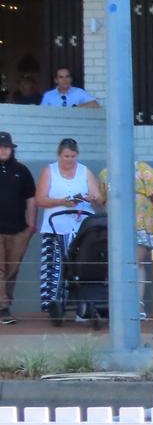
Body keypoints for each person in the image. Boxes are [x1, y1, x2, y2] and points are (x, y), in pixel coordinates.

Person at [33, 138, 99, 318]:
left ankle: (83, 304)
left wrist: (91, 197)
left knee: (82, 267)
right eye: (66, 156)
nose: (69, 159)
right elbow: (40, 199)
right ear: (59, 155)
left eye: (73, 156)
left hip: (81, 228)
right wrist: (61, 201)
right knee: (54, 266)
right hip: (56, 227)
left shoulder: (85, 171)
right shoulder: (50, 171)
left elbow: (97, 196)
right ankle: (52, 305)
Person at [99, 161, 153, 315]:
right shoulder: (105, 173)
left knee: (137, 262)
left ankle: (138, 305)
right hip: (117, 224)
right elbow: (103, 199)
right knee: (118, 264)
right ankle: (119, 306)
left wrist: (148, 211)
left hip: (141, 222)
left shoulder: (143, 168)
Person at [0, 132, 36, 324]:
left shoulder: (22, 170)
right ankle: (3, 308)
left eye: (7, 147)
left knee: (12, 269)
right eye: (1, 146)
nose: (4, 150)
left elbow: (30, 198)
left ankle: (6, 304)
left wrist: (31, 224)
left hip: (18, 230)